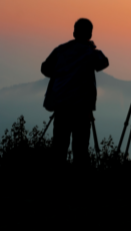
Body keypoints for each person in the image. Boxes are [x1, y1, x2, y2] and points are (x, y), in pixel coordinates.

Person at [41, 18, 109, 166]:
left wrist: (60, 75)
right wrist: (92, 49)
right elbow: (104, 63)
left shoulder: (60, 50)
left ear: (74, 32)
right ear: (90, 34)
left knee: (59, 148)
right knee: (81, 150)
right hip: (82, 108)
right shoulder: (91, 53)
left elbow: (45, 68)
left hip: (61, 106)